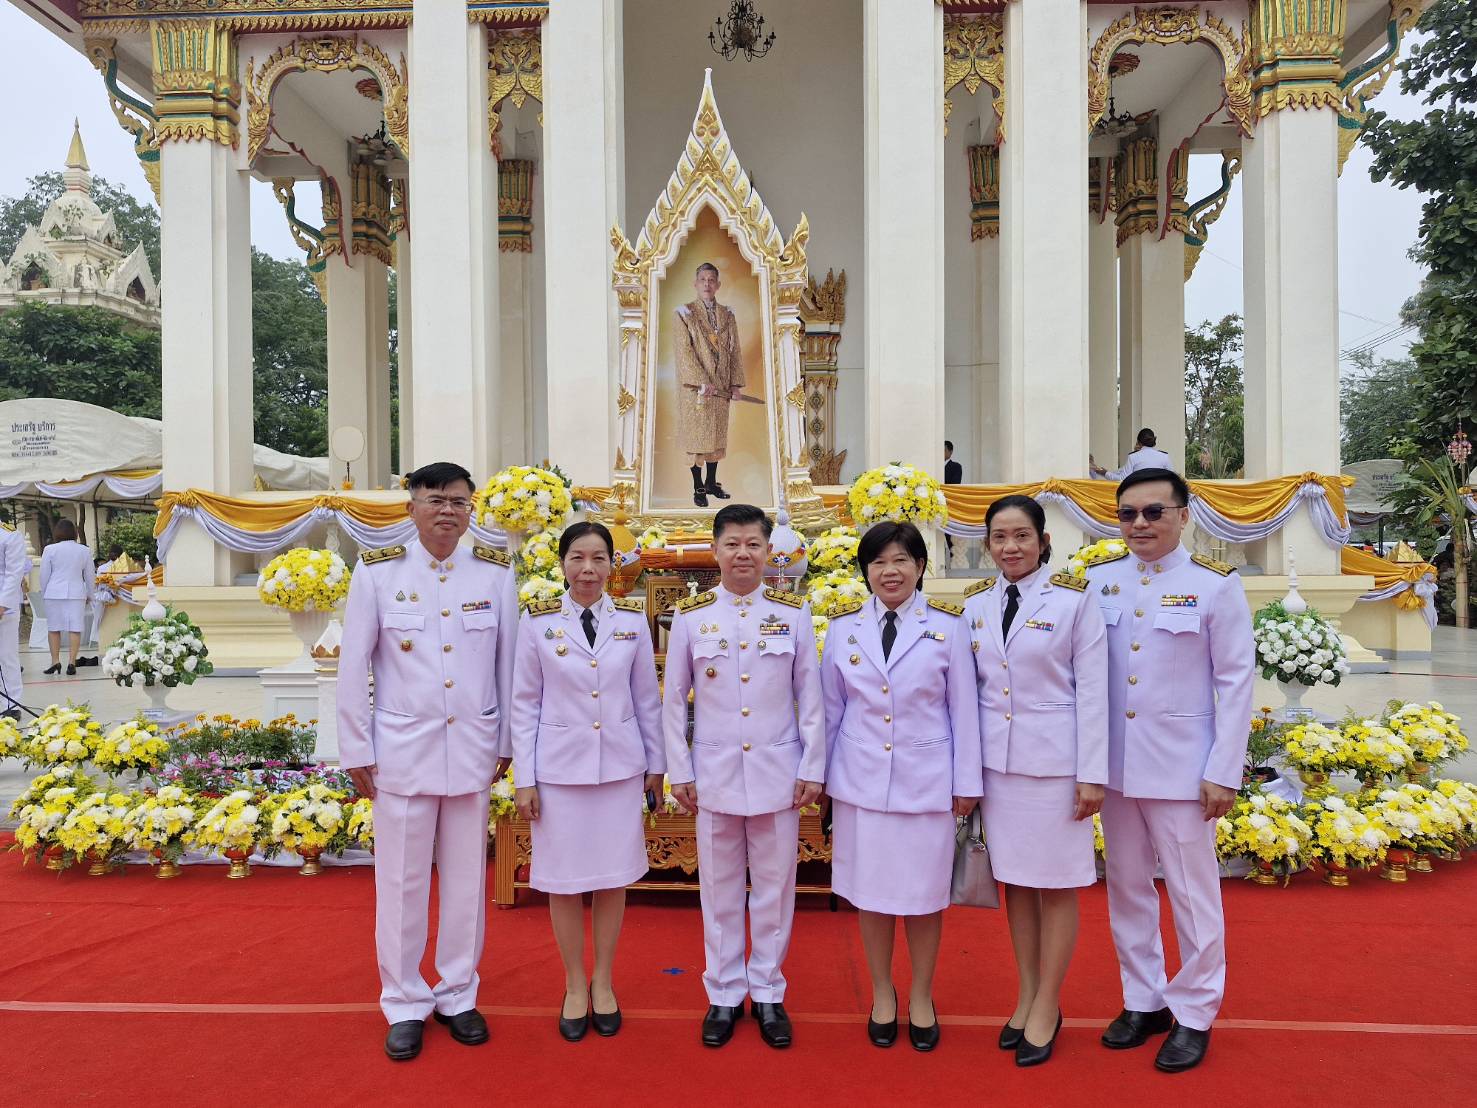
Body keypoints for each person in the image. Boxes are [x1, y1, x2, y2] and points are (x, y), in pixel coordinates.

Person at [338, 461, 519, 1062]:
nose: (447, 510)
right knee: (401, 882)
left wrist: (506, 742)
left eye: (459, 502)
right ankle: (404, 1000)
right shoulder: (378, 573)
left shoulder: (494, 574)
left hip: (472, 750)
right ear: (412, 506)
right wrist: (356, 747)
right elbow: (353, 666)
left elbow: (508, 667)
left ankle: (459, 993)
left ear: (471, 511)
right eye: (436, 499)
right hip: (401, 754)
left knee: (467, 882)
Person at [1082, 467, 1252, 1073]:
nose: (1140, 524)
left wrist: (1223, 769)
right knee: (1126, 886)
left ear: (1183, 515)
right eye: (1128, 514)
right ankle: (1143, 999)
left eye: (1154, 512)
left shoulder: (1214, 585)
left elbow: (1236, 681)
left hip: (1183, 768)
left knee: (1191, 893)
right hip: (1116, 767)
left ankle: (1196, 1011)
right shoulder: (1099, 582)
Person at [663, 503, 824, 1049]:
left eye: (753, 544)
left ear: (768, 551)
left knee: (775, 889)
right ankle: (725, 992)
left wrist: (812, 765)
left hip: (779, 772)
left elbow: (811, 697)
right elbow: (673, 701)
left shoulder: (793, 614)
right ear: (715, 551)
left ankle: (770, 990)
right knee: (720, 889)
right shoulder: (692, 617)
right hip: (713, 774)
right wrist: (679, 769)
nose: (743, 554)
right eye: (732, 544)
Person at [820, 521, 981, 1052]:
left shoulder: (949, 628)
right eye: (879, 562)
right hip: (860, 783)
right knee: (870, 895)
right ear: (865, 571)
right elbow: (830, 710)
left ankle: (923, 995)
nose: (890, 572)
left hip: (926, 784)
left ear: (920, 567)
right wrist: (821, 780)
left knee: (924, 896)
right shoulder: (843, 629)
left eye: (901, 561)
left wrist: (967, 782)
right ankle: (882, 993)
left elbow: (963, 711)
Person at [963, 495, 1107, 1066]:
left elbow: (1093, 691)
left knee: (1056, 884)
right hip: (999, 769)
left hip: (1056, 769)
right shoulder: (975, 605)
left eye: (1022, 536)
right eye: (999, 537)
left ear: (1043, 541)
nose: (1010, 547)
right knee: (1017, 884)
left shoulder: (1074, 601)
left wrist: (1091, 775)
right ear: (988, 545)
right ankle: (1026, 994)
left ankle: (1049, 1002)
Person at [510, 521, 664, 1042]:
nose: (588, 568)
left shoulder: (632, 624)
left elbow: (647, 700)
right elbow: (524, 704)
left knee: (612, 878)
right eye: (578, 557)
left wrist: (656, 765)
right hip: (559, 772)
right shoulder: (537, 623)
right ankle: (574, 983)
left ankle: (604, 981)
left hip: (619, 769)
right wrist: (525, 779)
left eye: (599, 558)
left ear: (612, 565)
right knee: (563, 881)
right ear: (562, 564)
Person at [675, 261, 745, 508]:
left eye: (711, 280)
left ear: (718, 285)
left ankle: (712, 482)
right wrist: (701, 381)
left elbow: (735, 350)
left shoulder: (728, 314)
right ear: (695, 284)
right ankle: (698, 486)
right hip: (696, 390)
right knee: (697, 438)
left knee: (716, 435)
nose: (707, 284)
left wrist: (735, 384)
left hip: (721, 386)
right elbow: (684, 352)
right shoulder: (685, 313)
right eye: (703, 280)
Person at [39, 520, 93, 676]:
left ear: (57, 532)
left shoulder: (49, 549)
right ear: (75, 533)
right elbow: (90, 575)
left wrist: (45, 592)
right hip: (76, 593)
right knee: (75, 628)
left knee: (53, 629)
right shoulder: (84, 550)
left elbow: (44, 574)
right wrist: (90, 594)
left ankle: (55, 661)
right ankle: (72, 662)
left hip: (53, 593)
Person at [0, 521, 29, 719]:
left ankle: (11, 704)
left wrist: (3, 603)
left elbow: (14, 573)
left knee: (6, 655)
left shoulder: (9, 535)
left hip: (4, 605)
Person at [1091, 428, 1172, 480]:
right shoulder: (1164, 456)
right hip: (1160, 496)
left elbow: (1122, 479)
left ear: (1139, 442)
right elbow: (1172, 478)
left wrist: (1105, 473)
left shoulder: (1133, 457)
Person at [943, 442, 962, 564]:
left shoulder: (955, 466)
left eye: (944, 450)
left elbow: (955, 485)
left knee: (948, 535)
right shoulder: (933, 466)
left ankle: (948, 562)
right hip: (934, 506)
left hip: (949, 504)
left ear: (950, 452)